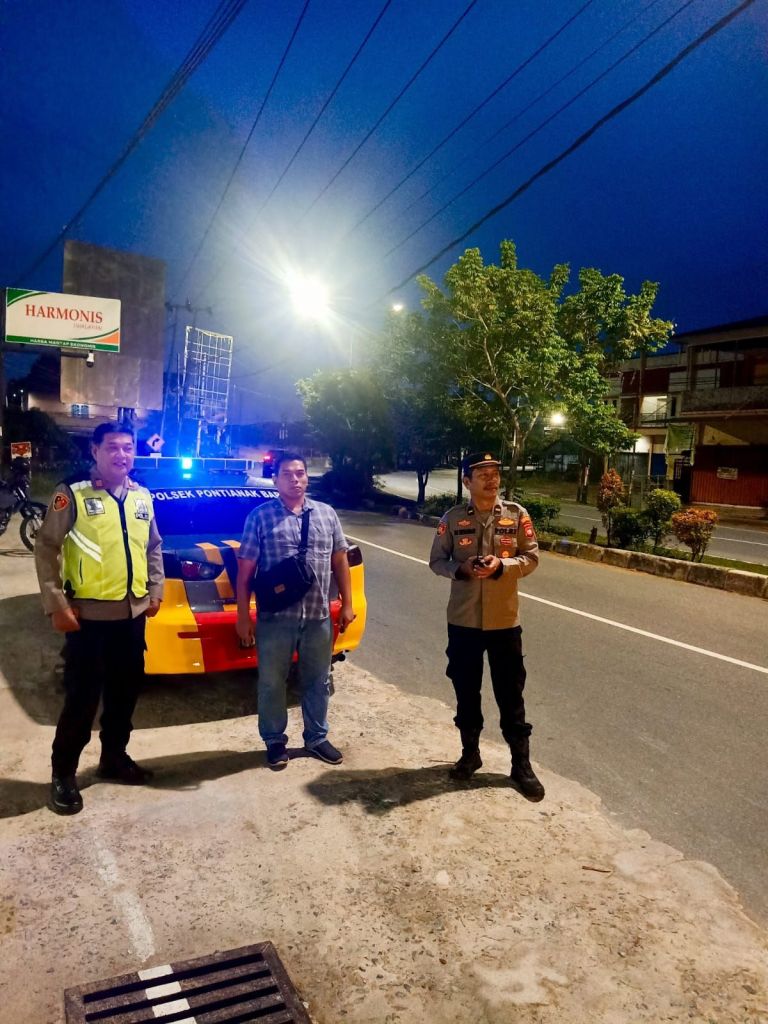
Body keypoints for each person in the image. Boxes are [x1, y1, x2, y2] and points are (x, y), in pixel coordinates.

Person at [35, 421, 164, 815]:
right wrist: (56, 604)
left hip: (132, 615)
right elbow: (46, 546)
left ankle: (114, 758)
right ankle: (63, 773)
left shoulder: (142, 494)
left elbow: (153, 546)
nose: (121, 454)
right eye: (112, 447)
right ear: (95, 451)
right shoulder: (72, 491)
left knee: (125, 694)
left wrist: (156, 589)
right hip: (87, 619)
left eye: (127, 447)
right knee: (82, 699)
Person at [429, 452, 544, 800]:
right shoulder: (452, 519)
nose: (492, 479)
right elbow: (437, 561)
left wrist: (502, 566)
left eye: (495, 473)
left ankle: (521, 765)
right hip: (463, 620)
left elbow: (532, 557)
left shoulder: (516, 515)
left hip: (504, 622)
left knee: (511, 693)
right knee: (466, 690)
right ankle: (470, 754)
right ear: (467, 481)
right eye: (483, 474)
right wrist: (460, 570)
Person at [235, 453, 355, 770]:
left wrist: (347, 603)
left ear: (307, 477)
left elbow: (340, 561)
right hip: (275, 619)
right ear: (275, 480)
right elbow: (245, 571)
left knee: (318, 680)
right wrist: (243, 616)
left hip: (318, 617)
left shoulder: (327, 515)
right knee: (272, 682)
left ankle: (316, 738)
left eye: (300, 473)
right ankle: (274, 741)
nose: (295, 479)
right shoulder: (260, 517)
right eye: (287, 474)